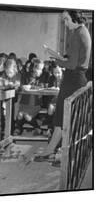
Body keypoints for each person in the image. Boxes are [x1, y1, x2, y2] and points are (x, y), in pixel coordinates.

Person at [34, 10, 91, 163]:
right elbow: (73, 59)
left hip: (73, 79)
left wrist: (56, 61)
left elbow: (71, 64)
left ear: (74, 18)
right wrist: (60, 57)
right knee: (64, 118)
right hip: (77, 78)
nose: (65, 24)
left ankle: (62, 154)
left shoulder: (77, 34)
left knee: (62, 118)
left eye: (66, 20)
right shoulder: (83, 31)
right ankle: (54, 151)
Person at [14, 58, 44, 136]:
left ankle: (38, 127)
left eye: (41, 69)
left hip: (35, 104)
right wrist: (23, 86)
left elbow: (42, 87)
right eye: (39, 69)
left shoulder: (41, 78)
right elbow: (21, 86)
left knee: (26, 116)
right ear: (34, 68)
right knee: (20, 114)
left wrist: (32, 86)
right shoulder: (25, 76)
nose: (41, 71)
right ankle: (18, 129)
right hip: (25, 102)